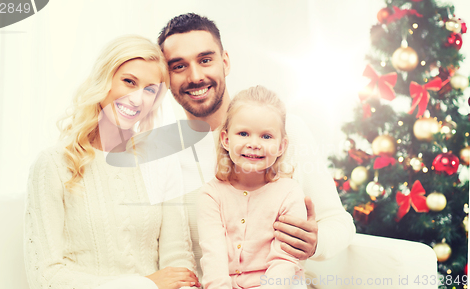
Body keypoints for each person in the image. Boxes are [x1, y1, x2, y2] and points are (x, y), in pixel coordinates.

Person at [157, 13, 355, 278]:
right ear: (166, 76)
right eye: (178, 66)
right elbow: (173, 255)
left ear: (225, 62)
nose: (195, 76)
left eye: (205, 60)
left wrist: (316, 242)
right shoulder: (167, 157)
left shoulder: (286, 130)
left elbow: (340, 223)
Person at [24, 35, 199, 289]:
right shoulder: (53, 165)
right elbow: (45, 277)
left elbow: (178, 264)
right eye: (129, 82)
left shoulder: (162, 164)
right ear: (104, 80)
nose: (137, 99)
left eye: (149, 90)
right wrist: (144, 285)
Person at [197, 86, 307, 288]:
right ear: (226, 139)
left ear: (281, 146)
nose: (254, 143)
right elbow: (213, 259)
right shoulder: (211, 194)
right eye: (243, 133)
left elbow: (284, 261)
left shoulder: (290, 193)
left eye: (266, 136)